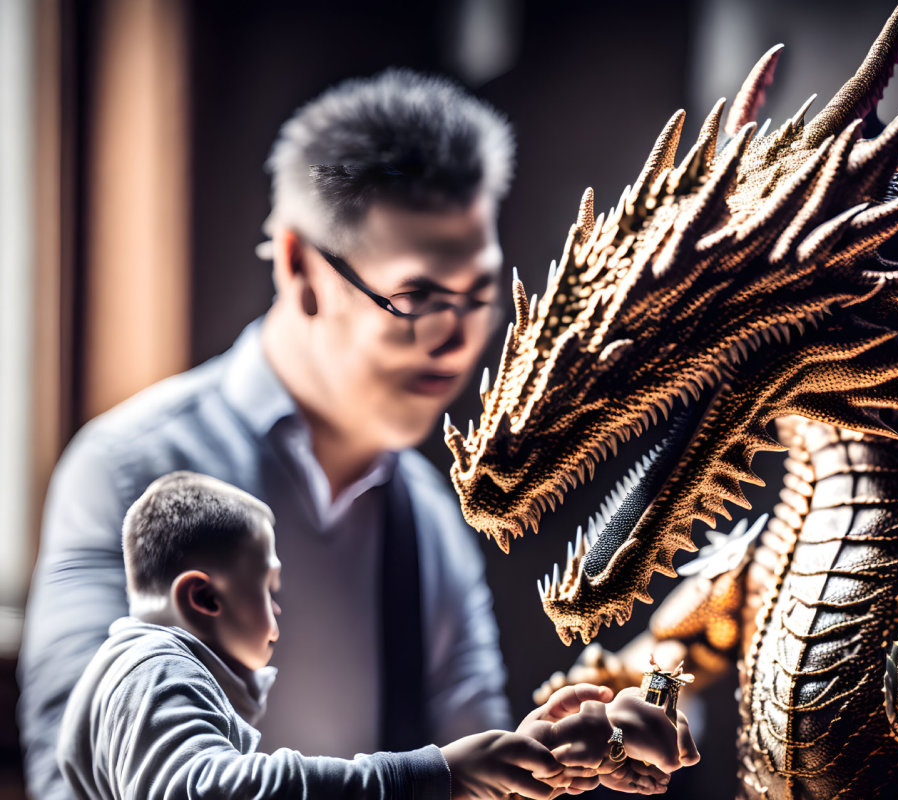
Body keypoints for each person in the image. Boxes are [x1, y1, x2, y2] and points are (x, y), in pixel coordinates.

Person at [19, 68, 696, 799]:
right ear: (300, 266)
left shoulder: (429, 517)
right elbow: (73, 782)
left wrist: (559, 753)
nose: (457, 342)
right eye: (418, 298)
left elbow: (474, 763)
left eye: (480, 297)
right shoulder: (127, 471)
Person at [58, 471, 620, 799]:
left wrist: (488, 766)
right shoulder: (158, 671)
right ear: (203, 598)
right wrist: (435, 774)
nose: (280, 611)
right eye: (270, 590)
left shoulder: (144, 677)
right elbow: (205, 791)